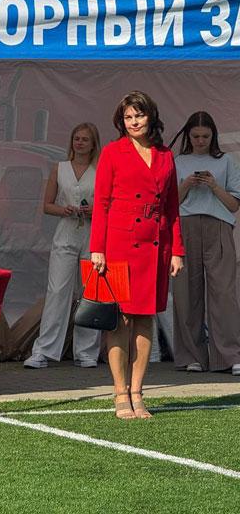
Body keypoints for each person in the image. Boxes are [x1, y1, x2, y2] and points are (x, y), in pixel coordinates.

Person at [90, 91, 184, 419]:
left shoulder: (166, 155)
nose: (134, 122)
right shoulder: (112, 152)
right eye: (128, 117)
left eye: (139, 115)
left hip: (155, 247)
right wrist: (97, 248)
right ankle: (120, 392)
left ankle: (137, 392)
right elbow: (101, 203)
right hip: (118, 243)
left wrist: (177, 251)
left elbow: (172, 207)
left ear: (150, 117)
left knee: (145, 318)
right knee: (120, 319)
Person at [24, 123, 102, 369]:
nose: (79, 143)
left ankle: (86, 351)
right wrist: (63, 209)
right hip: (66, 232)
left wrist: (94, 210)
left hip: (93, 234)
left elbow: (109, 204)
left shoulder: (101, 170)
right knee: (57, 290)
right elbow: (47, 205)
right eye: (76, 138)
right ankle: (44, 350)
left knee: (90, 292)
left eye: (85, 139)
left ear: (93, 144)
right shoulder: (59, 168)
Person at [172, 111, 240, 376]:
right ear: (188, 136)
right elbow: (170, 203)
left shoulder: (226, 161)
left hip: (218, 225)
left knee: (224, 294)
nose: (200, 141)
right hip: (185, 225)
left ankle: (229, 355)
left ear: (214, 136)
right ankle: (193, 356)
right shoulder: (178, 161)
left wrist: (213, 185)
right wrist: (187, 184)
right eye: (196, 136)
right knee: (186, 293)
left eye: (205, 136)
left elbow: (233, 205)